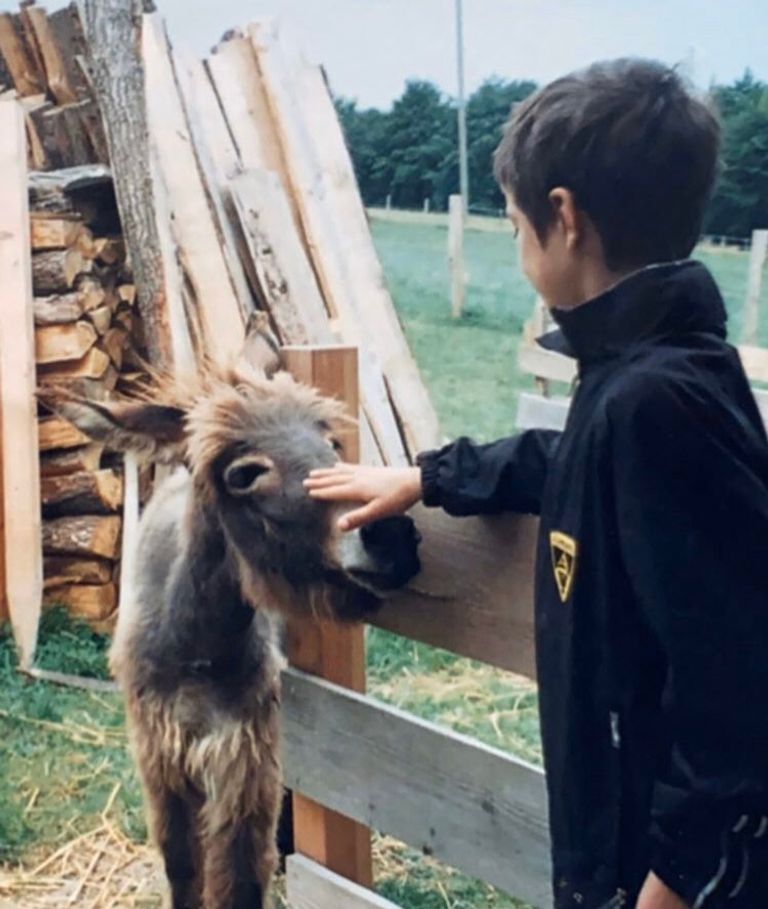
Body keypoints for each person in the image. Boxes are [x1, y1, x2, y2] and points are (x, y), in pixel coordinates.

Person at [304, 59, 768, 909]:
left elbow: (735, 696)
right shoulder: (650, 372)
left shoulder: (654, 399)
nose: (518, 253)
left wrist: (670, 885)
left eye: (516, 227)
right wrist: (428, 477)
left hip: (674, 882)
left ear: (565, 218)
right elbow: (569, 461)